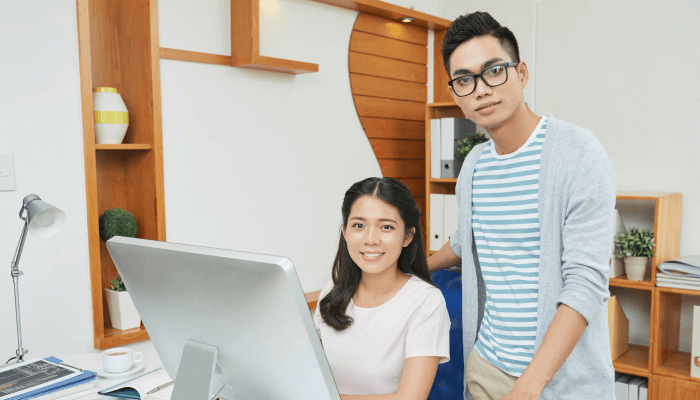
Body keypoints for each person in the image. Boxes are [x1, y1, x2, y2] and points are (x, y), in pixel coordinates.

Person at [427, 11, 616, 400]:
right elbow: (466, 239)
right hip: (487, 369)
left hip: (559, 382)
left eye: (493, 71)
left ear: (522, 74)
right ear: (456, 95)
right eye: (464, 80)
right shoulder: (474, 166)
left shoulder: (579, 153)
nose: (481, 89)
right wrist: (411, 266)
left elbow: (585, 284)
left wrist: (530, 385)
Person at [314, 177, 451, 399]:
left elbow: (409, 398)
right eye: (359, 225)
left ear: (407, 236)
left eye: (386, 227)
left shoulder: (426, 301)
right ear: (345, 231)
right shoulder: (332, 289)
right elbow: (310, 374)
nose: (371, 239)